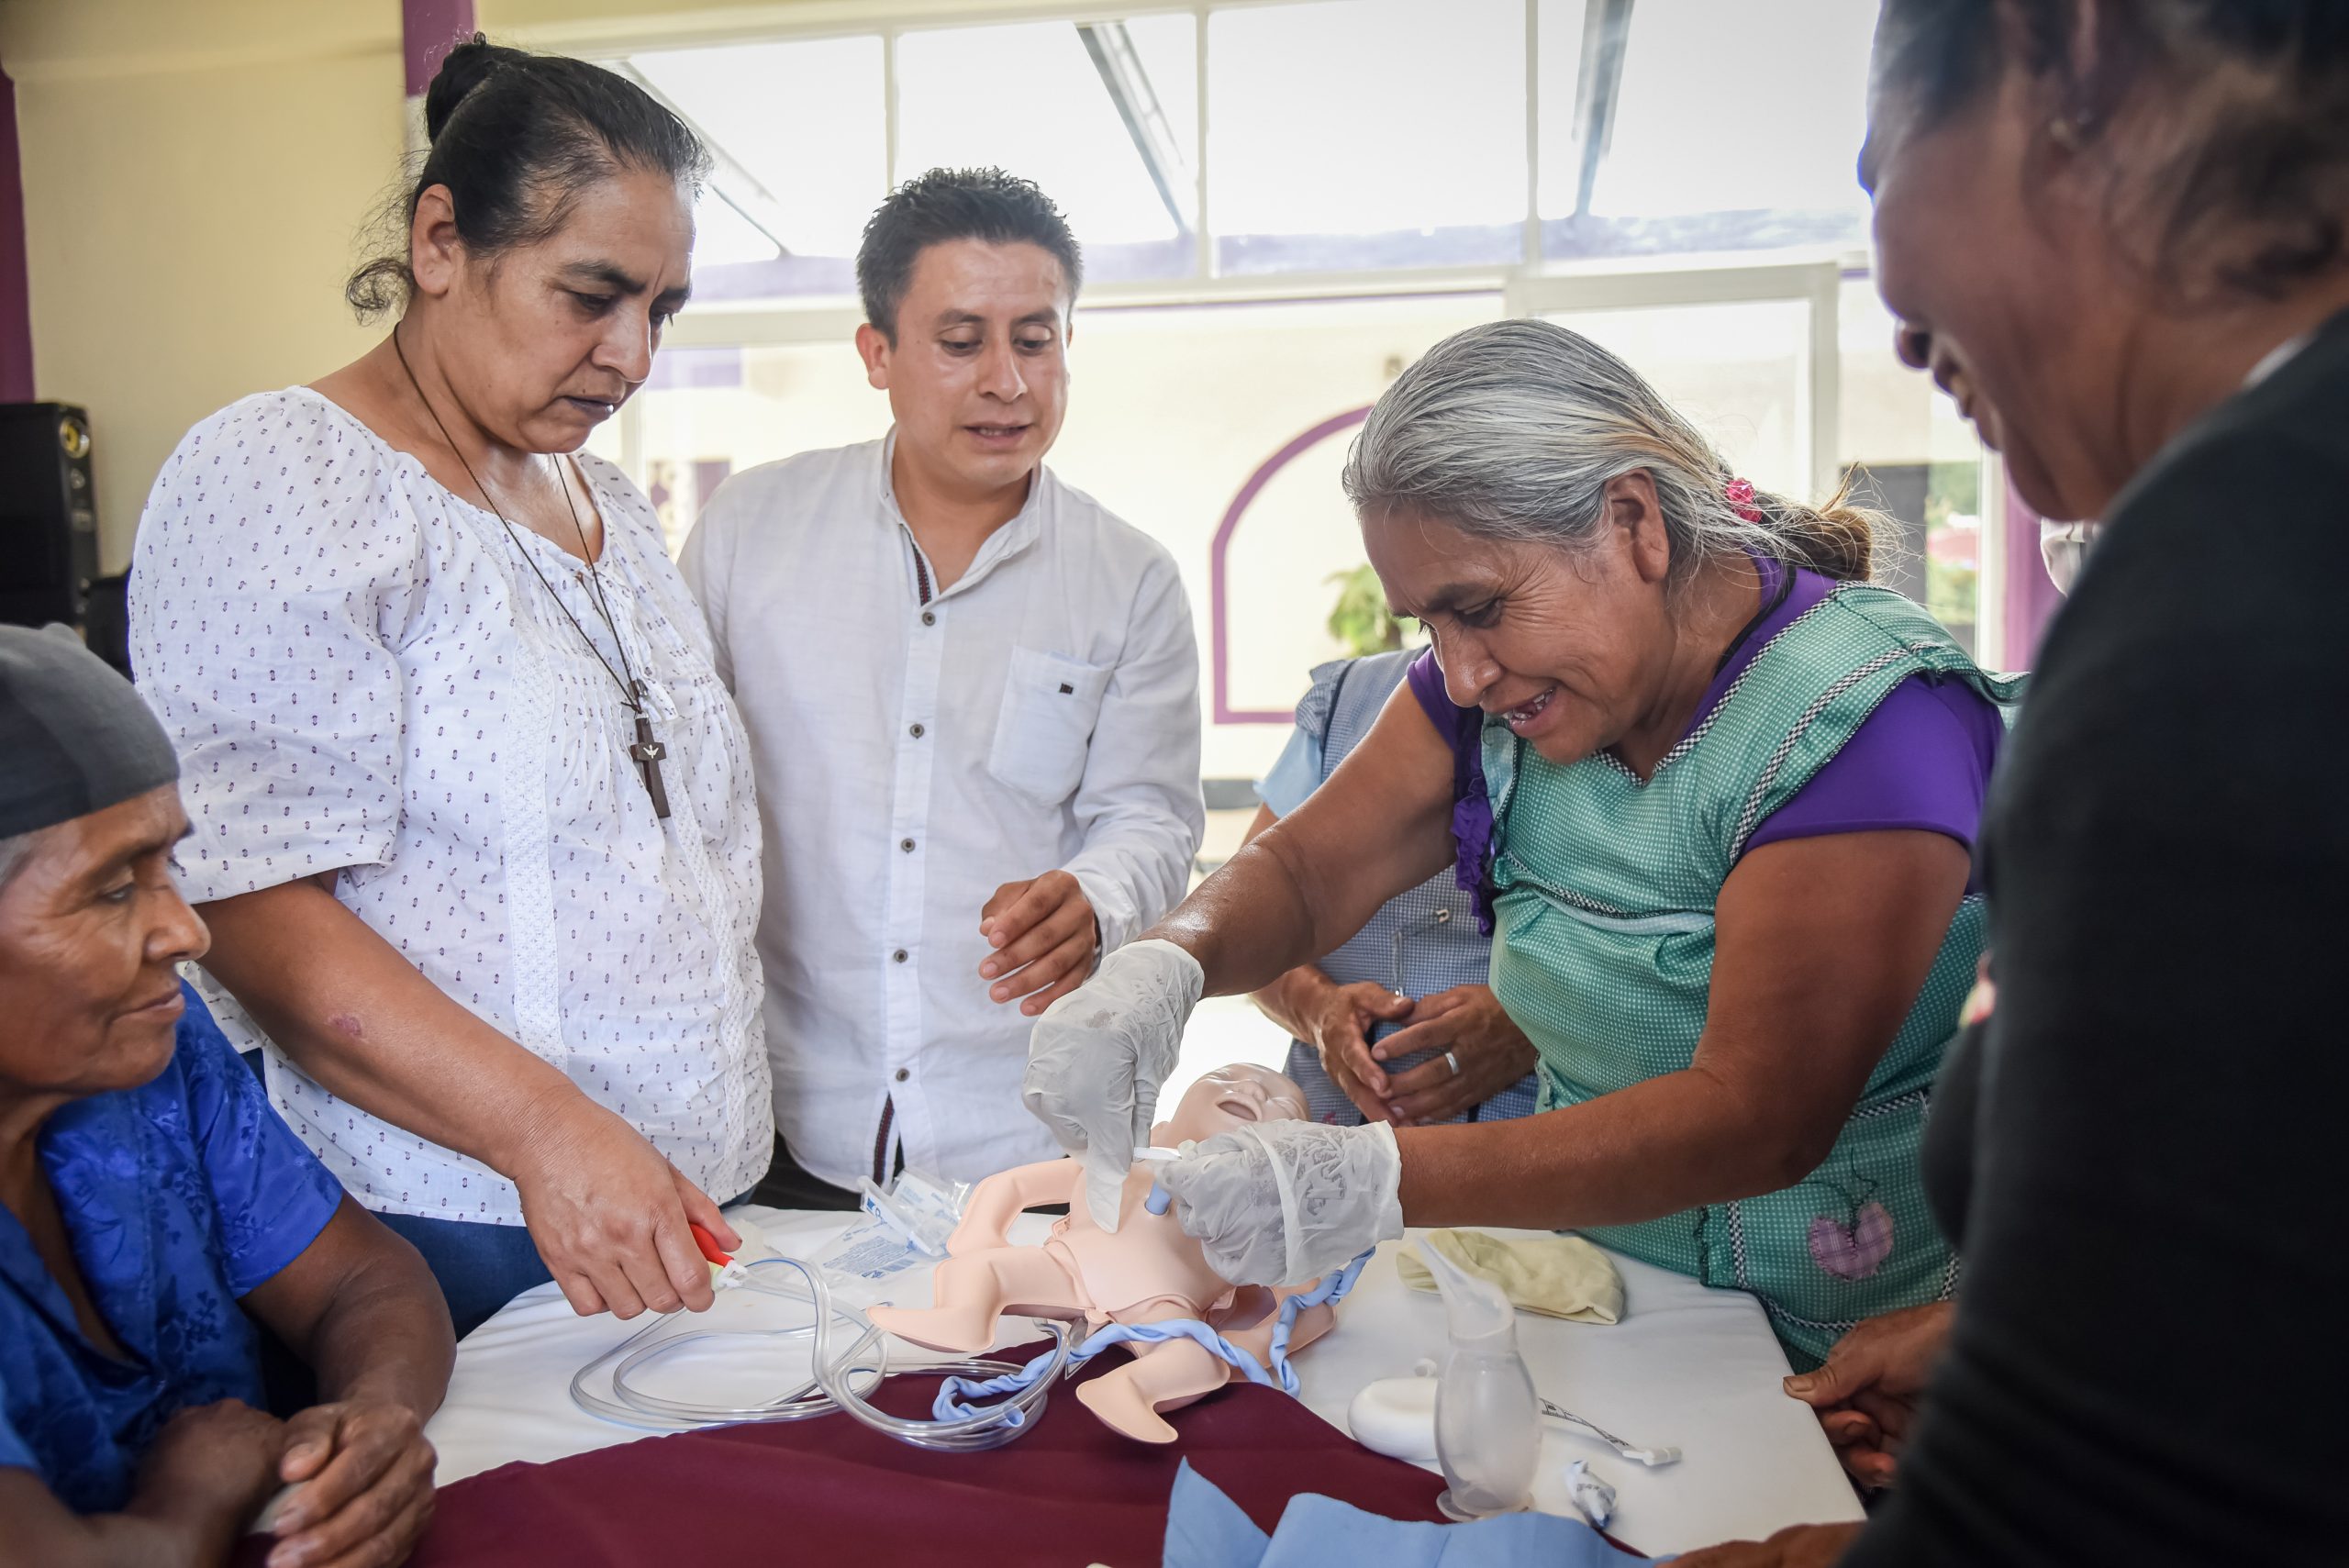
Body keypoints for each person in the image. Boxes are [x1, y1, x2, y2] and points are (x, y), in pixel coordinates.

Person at [1678, 2, 2349, 1562]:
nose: (1901, 331)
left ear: (2072, 50)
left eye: (1878, 172)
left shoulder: (2252, 560)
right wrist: (2037, 1338)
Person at [1025, 317, 2016, 1368]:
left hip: (1852, 1343)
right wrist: (1162, 965)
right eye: (1428, 627)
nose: (1460, 674)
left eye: (1481, 608)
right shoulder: (1499, 698)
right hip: (1590, 1289)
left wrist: (1367, 1178)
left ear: (1633, 519)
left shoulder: (1867, 723)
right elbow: (1308, 870)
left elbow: (1757, 1116)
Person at [128, 38, 766, 1340]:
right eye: (590, 294)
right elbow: (252, 909)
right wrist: (549, 1135)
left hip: (673, 1198)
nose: (634, 353)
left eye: (664, 308)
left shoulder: (604, 506)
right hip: (447, 1218)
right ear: (438, 242)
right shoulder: (291, 475)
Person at [679, 168, 1202, 1206]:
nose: (1006, 380)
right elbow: (687, 797)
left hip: (1025, 1127)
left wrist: (1097, 899)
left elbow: (1149, 814)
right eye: (960, 341)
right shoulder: (751, 532)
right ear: (877, 353)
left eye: (1035, 338)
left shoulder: (1128, 577)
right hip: (781, 1123)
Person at [0, 626, 451, 1568]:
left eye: (167, 868)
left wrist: (372, 1417)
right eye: (113, 890)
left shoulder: (151, 1060)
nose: (186, 930)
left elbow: (366, 1280)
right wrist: (196, 1492)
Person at [1245, 650, 1537, 1127]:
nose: (1459, 678)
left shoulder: (1589, 705)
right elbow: (1256, 921)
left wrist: (1538, 1023)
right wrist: (1318, 1009)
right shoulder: (1344, 702)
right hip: (1324, 1139)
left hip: (1523, 1149)